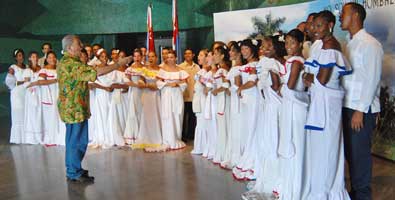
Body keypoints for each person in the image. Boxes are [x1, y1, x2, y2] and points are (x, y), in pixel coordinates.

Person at [57, 35, 131, 183]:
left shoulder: (73, 62)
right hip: (74, 108)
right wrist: (118, 64)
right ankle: (73, 172)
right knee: (76, 140)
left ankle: (74, 169)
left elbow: (94, 69)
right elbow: (96, 73)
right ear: (70, 48)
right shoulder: (70, 63)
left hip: (76, 107)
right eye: (79, 44)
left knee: (77, 139)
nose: (81, 46)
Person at [301, 11, 352, 200]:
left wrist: (307, 77)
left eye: (319, 26)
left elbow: (321, 80)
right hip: (321, 102)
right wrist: (309, 78)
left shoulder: (331, 47)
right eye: (314, 26)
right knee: (321, 149)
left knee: (327, 149)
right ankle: (320, 190)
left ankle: (325, 192)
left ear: (330, 25)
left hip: (327, 105)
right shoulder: (322, 46)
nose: (315, 29)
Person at [340, 3, 383, 200]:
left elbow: (372, 79)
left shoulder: (370, 44)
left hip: (360, 110)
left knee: (360, 158)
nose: (341, 16)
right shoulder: (350, 43)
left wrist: (360, 110)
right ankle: (355, 194)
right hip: (348, 106)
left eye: (344, 13)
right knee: (351, 157)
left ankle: (363, 196)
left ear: (355, 15)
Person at [232, 39, 260, 181]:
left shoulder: (255, 64)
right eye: (241, 49)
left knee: (252, 127)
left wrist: (241, 88)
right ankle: (247, 153)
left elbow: (253, 81)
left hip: (253, 98)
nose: (243, 52)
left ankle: (253, 157)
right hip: (246, 99)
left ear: (252, 49)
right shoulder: (244, 65)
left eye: (246, 49)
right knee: (247, 127)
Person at [156, 50, 189, 150]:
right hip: (166, 94)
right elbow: (158, 82)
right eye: (168, 57)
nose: (170, 59)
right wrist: (168, 84)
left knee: (177, 115)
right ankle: (167, 140)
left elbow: (185, 83)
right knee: (167, 115)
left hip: (177, 95)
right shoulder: (162, 70)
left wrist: (178, 84)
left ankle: (176, 138)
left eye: (172, 57)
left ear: (176, 58)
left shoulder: (181, 70)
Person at [132, 51, 163, 152]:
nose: (151, 58)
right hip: (147, 95)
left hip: (157, 95)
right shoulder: (144, 70)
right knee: (147, 116)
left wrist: (155, 85)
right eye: (149, 57)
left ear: (157, 58)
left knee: (157, 115)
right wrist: (144, 84)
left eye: (153, 56)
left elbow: (161, 83)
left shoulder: (161, 69)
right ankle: (147, 137)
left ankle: (157, 137)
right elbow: (141, 81)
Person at [221, 41, 243, 169]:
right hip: (235, 99)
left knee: (237, 124)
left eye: (232, 51)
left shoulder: (236, 68)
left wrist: (229, 89)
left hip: (236, 100)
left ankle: (236, 155)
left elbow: (237, 86)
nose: (230, 53)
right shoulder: (236, 68)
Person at [36, 51, 65, 146]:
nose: (52, 59)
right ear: (46, 59)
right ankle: (50, 139)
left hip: (59, 95)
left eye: (54, 57)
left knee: (59, 117)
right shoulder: (43, 70)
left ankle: (60, 138)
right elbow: (40, 82)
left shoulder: (59, 69)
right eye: (50, 57)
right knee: (50, 118)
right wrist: (55, 80)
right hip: (49, 97)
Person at [211, 45, 231, 165]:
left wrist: (216, 91)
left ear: (222, 55)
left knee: (223, 125)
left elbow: (226, 85)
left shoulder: (223, 69)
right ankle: (222, 152)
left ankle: (224, 153)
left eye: (216, 54)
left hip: (222, 99)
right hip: (221, 99)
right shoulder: (221, 68)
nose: (214, 56)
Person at [191, 49, 210, 155]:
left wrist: (202, 80)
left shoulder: (206, 71)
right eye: (199, 54)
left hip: (203, 98)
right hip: (198, 97)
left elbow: (207, 84)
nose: (198, 56)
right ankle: (200, 146)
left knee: (203, 122)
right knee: (200, 122)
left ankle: (204, 146)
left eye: (201, 55)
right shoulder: (200, 71)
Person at [178, 48, 200, 142]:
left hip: (193, 95)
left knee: (192, 117)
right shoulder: (180, 67)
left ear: (193, 55)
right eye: (186, 54)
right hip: (183, 96)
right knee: (183, 117)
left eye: (189, 54)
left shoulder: (197, 67)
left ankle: (191, 135)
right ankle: (182, 135)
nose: (187, 55)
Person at [5, 49, 27, 144]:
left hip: (25, 93)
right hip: (17, 93)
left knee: (25, 113)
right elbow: (8, 81)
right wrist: (22, 82)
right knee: (18, 113)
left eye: (21, 55)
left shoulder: (26, 67)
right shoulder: (12, 67)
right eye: (18, 55)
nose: (20, 57)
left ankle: (26, 137)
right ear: (15, 57)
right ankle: (18, 138)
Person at [124, 49, 144, 144]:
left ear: (142, 56)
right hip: (134, 91)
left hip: (144, 92)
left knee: (143, 112)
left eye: (138, 56)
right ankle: (133, 135)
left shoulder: (145, 68)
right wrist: (136, 85)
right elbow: (127, 81)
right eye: (135, 56)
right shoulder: (130, 69)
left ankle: (143, 134)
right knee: (134, 112)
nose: (137, 58)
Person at [23, 51, 43, 144]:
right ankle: (32, 137)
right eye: (33, 57)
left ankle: (40, 135)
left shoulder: (41, 69)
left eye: (36, 56)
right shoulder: (27, 70)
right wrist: (34, 84)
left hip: (40, 93)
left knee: (39, 113)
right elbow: (26, 83)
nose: (35, 58)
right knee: (32, 114)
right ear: (30, 58)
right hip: (31, 93)